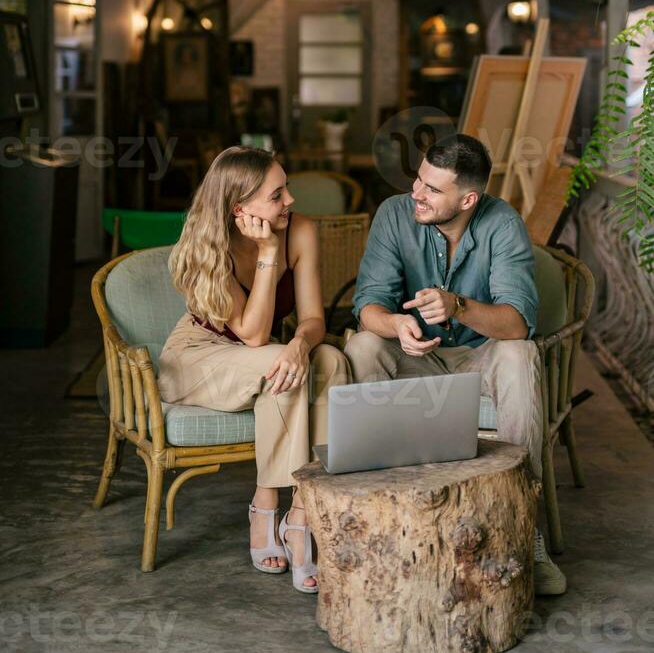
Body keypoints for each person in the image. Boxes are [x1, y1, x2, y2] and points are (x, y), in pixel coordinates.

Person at [345, 132, 566, 596]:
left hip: (476, 359)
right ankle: (381, 516)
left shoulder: (503, 224)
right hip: (413, 357)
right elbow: (368, 304)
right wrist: (395, 326)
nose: (416, 194)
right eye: (418, 179)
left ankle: (523, 528)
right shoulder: (393, 214)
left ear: (468, 198)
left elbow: (517, 325)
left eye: (431, 189)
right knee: (364, 345)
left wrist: (457, 306)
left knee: (520, 352)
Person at [158, 147, 350, 593]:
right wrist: (267, 251)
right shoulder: (208, 245)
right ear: (239, 209)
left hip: (263, 355)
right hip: (197, 357)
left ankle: (301, 514)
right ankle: (265, 504)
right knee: (277, 363)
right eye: (277, 194)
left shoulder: (301, 232)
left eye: (287, 189)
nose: (291, 202)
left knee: (331, 360)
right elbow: (255, 336)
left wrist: (301, 344)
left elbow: (314, 320)